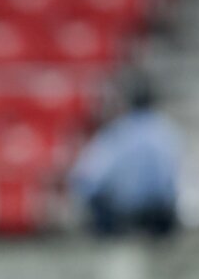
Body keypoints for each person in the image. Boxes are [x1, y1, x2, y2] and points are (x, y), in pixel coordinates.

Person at [68, 79, 181, 237]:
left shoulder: (118, 131)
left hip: (124, 216)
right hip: (159, 216)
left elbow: (88, 178)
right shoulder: (168, 132)